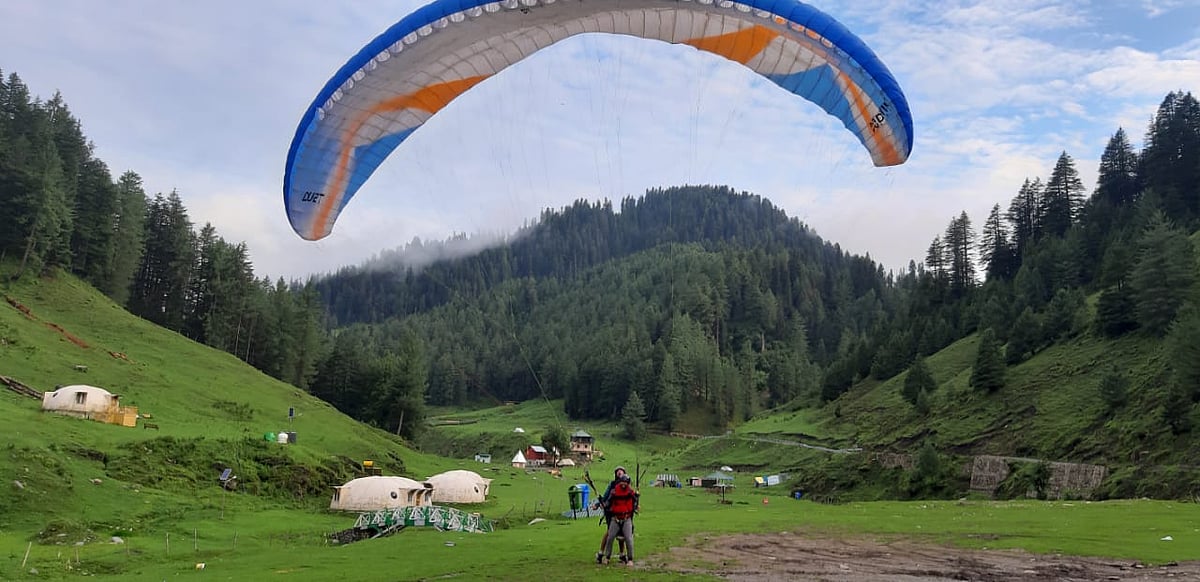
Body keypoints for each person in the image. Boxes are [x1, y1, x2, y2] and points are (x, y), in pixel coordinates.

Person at [594, 466, 632, 564]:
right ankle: (601, 553)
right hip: (611, 512)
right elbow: (606, 497)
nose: (620, 474)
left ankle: (622, 554)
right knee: (610, 533)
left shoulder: (627, 486)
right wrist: (599, 504)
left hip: (623, 513)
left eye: (621, 473)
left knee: (622, 534)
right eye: (618, 473)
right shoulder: (612, 485)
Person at [601, 474, 638, 566]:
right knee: (610, 537)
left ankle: (630, 559)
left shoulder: (630, 492)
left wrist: (637, 500)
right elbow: (608, 502)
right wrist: (604, 505)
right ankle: (607, 557)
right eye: (622, 482)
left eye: (625, 482)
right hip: (616, 519)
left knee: (628, 539)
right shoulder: (614, 492)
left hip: (626, 518)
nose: (623, 484)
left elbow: (635, 502)